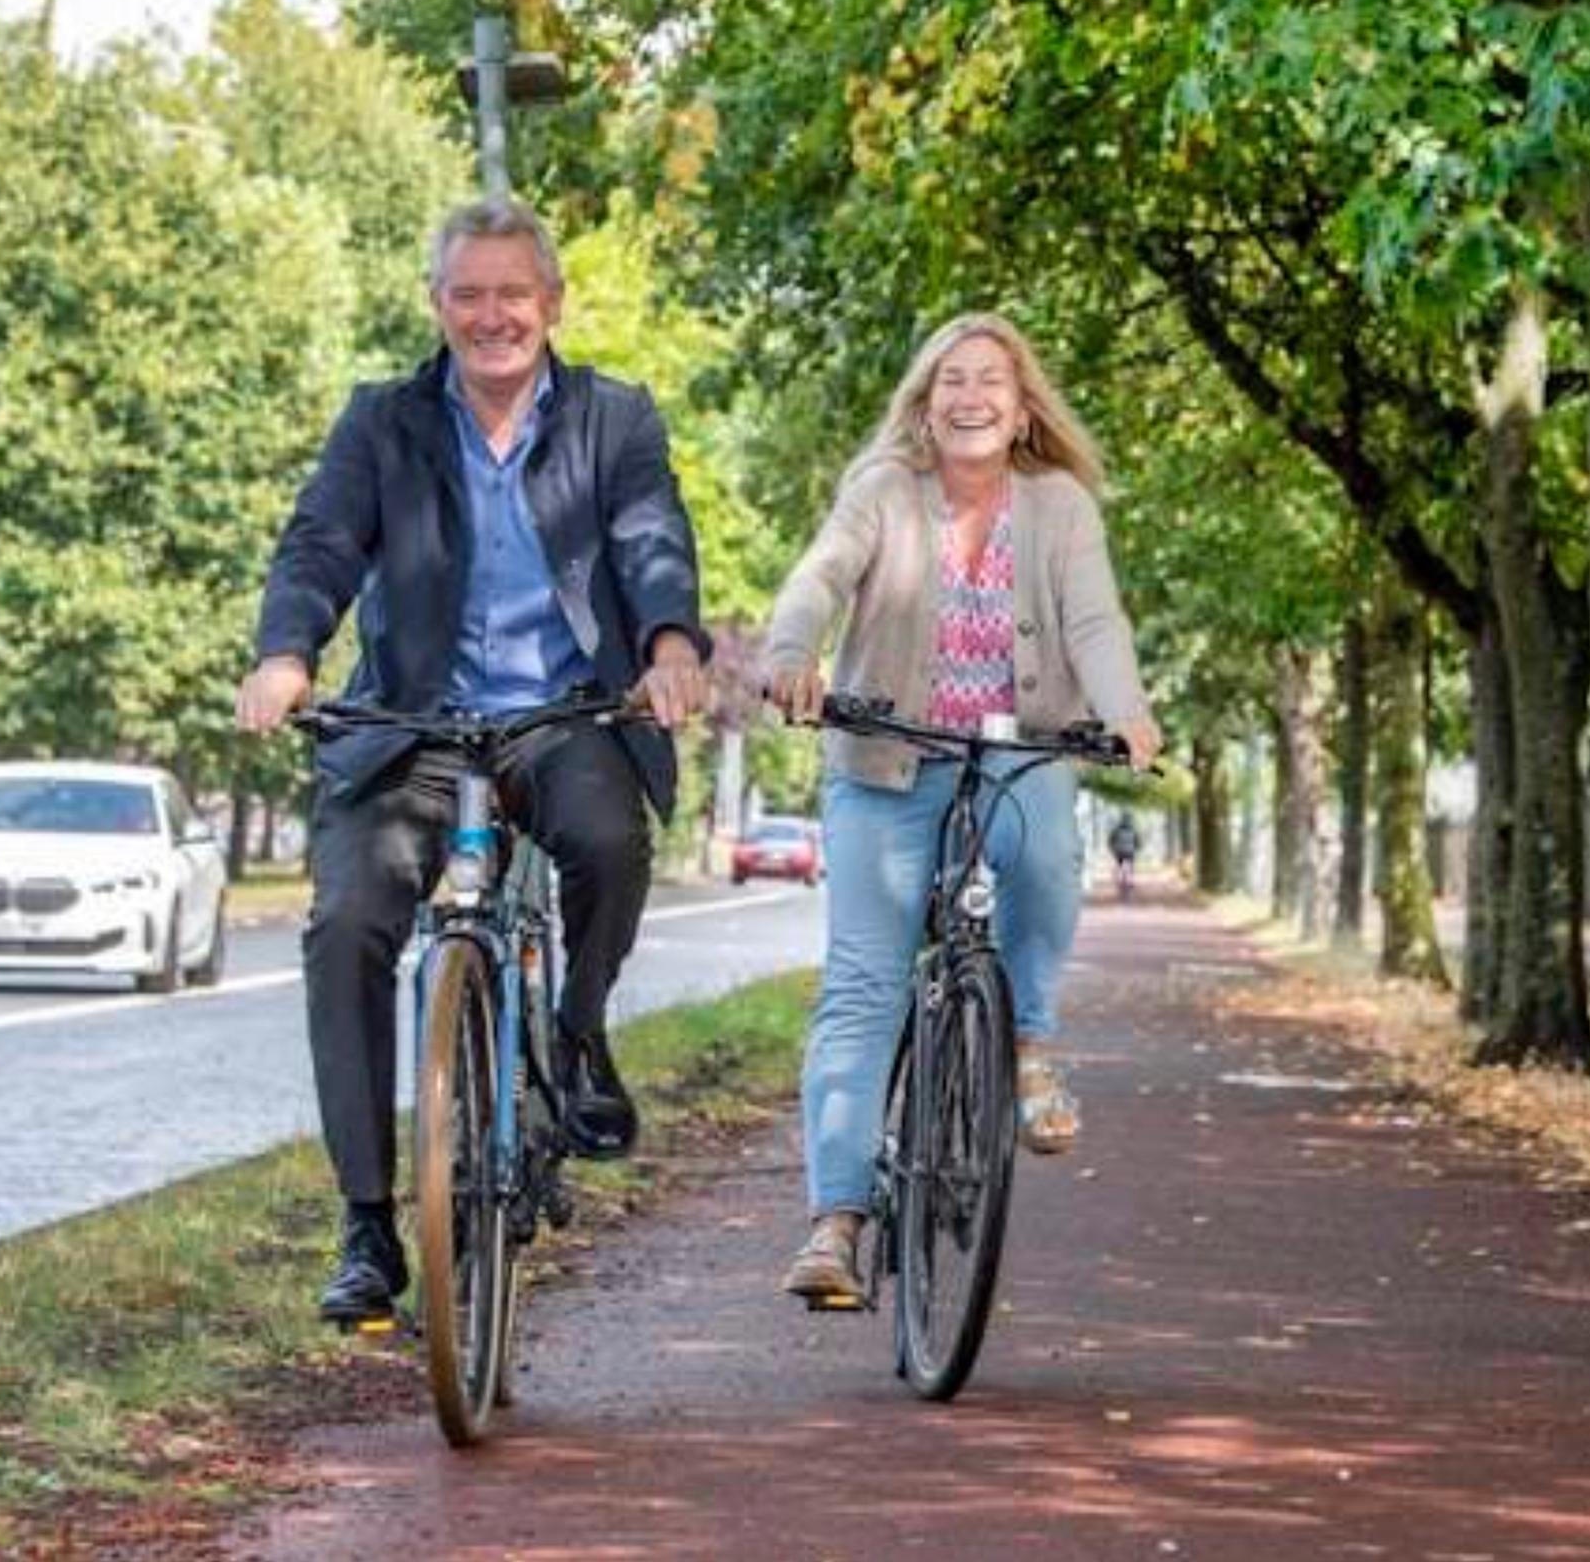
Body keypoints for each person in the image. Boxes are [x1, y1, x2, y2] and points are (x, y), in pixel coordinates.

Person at [236, 199, 712, 1324]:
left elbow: (650, 536)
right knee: (346, 919)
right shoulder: (382, 422)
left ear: (550, 303)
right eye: (468, 293)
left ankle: (578, 1028)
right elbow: (320, 541)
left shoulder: (613, 417)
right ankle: (365, 1223)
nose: (491, 315)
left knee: (605, 838)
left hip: (563, 715)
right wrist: (285, 652)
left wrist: (670, 643)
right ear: (436, 304)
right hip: (415, 727)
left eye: (513, 293)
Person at [763, 312, 1160, 1306]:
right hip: (886, 759)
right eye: (950, 380)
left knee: (1043, 867)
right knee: (863, 982)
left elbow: (1093, 621)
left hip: (1017, 755)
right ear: (923, 402)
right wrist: (788, 653)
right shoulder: (883, 491)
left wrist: (1125, 710)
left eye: (991, 379)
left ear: (1022, 408)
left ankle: (1027, 1048)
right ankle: (836, 1221)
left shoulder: (1059, 505)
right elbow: (819, 576)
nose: (970, 395)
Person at [1108, 810, 1140, 897]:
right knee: (1130, 868)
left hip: (1119, 851)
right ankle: (1130, 881)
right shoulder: (1133, 829)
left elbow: (1111, 840)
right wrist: (1136, 848)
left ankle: (1119, 881)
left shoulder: (1117, 829)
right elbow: (1137, 841)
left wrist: (1112, 849)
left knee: (1119, 866)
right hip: (1130, 851)